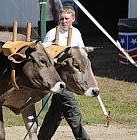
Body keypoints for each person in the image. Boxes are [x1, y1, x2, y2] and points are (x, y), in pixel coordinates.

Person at [38, 6, 91, 140]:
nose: (63, 21)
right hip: (58, 79)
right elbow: (43, 59)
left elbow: (81, 54)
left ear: (73, 19)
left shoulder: (76, 33)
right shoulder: (51, 34)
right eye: (61, 19)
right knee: (72, 111)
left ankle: (42, 138)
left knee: (56, 112)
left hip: (72, 79)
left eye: (66, 19)